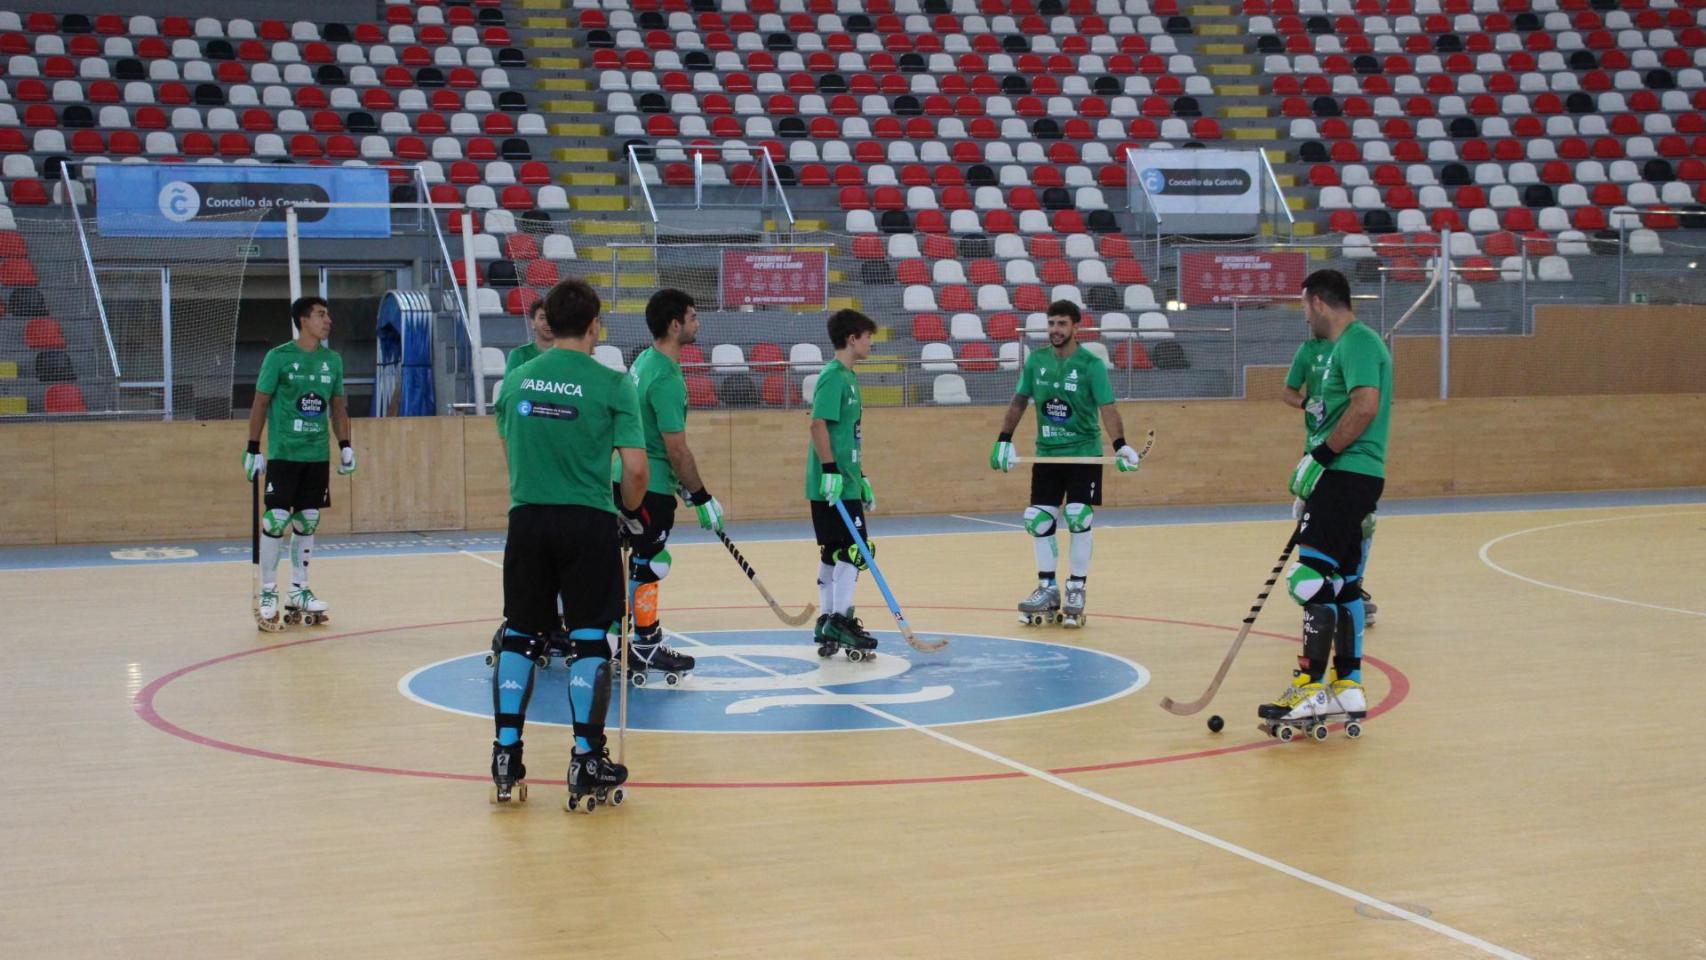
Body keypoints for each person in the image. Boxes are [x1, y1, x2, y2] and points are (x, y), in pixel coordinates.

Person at [488, 278, 645, 807]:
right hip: (587, 521)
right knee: (588, 638)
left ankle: (506, 752)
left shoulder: (516, 381)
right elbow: (637, 470)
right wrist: (628, 511)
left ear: (548, 324)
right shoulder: (614, 384)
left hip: (527, 518)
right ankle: (586, 758)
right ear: (595, 324)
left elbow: (512, 450)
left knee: (520, 635)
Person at [1261, 269, 1391, 731]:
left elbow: (1366, 405)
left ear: (1317, 302)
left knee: (1307, 579)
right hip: (1353, 476)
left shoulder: (1355, 342)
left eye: (1302, 306)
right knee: (1344, 583)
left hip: (1345, 473)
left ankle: (1310, 687)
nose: (1303, 316)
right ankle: (1348, 686)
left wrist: (1320, 456)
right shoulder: (1347, 346)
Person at [989, 300, 1142, 628]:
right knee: (1037, 519)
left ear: (1076, 327)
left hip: (1083, 454)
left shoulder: (1090, 364)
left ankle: (1076, 588)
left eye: (1061, 324)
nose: (1055, 330)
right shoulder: (1037, 361)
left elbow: (1108, 408)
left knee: (1077, 515)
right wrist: (1003, 438)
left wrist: (1120, 445)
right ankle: (1047, 588)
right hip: (1047, 454)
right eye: (1051, 324)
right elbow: (1019, 401)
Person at [617, 289, 724, 684]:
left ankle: (617, 646)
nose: (698, 323)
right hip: (649, 484)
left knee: (625, 562)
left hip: (622, 477)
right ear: (675, 325)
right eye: (693, 317)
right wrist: (701, 496)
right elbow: (676, 449)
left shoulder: (643, 361)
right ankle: (644, 647)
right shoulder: (665, 377)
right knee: (650, 564)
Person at [243, 296, 355, 629]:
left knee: (307, 521)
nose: (328, 320)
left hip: (316, 455)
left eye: (328, 314)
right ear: (303, 320)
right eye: (321, 315)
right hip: (284, 454)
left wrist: (345, 445)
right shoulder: (278, 358)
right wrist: (252, 448)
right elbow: (261, 403)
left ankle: (299, 589)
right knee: (276, 520)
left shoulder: (332, 361)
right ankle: (267, 592)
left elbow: (337, 407)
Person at [1284, 335, 1378, 627]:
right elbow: (1287, 392)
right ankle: (1317, 586)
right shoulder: (1307, 350)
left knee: (1362, 525)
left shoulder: (1354, 348)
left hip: (1350, 453)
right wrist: (1305, 403)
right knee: (1308, 519)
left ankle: (1351, 584)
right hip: (1315, 451)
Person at [806, 308, 880, 657]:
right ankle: (840, 618)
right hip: (832, 483)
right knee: (856, 549)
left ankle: (826, 620)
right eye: (867, 338)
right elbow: (817, 424)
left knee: (834, 551)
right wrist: (831, 470)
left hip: (845, 480)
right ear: (853, 338)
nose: (870, 344)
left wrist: (860, 477)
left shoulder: (849, 377)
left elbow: (848, 435)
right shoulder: (834, 376)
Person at [504, 298, 552, 375]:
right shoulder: (519, 354)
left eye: (553, 317)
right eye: (542, 318)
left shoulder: (569, 355)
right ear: (532, 323)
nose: (548, 323)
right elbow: (509, 386)